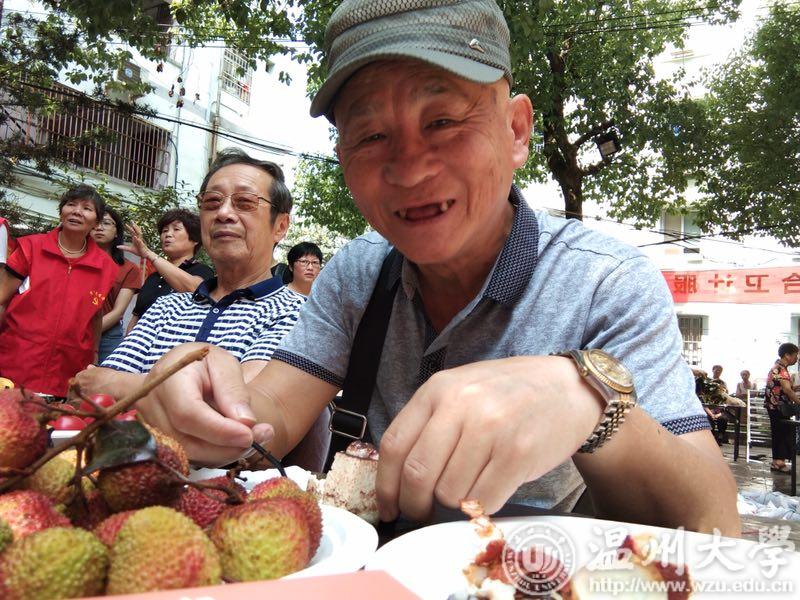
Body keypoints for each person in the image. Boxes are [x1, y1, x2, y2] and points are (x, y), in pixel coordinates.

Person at [136, 0, 738, 535]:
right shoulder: (357, 273)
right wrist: (207, 400)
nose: (410, 168)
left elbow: (713, 524)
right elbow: (271, 409)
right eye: (371, 135)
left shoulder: (606, 282)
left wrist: (589, 400)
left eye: (443, 121)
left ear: (516, 130)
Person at [73, 148, 305, 401]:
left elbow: (239, 403)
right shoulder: (165, 307)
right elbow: (84, 388)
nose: (223, 213)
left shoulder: (296, 313)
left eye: (245, 202)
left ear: (280, 226)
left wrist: (118, 384)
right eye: (212, 202)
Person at [0, 185, 117, 397]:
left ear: (96, 222)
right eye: (71, 204)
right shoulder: (30, 248)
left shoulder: (105, 267)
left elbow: (95, 315)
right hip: (16, 362)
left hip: (68, 370)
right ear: (61, 212)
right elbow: (1, 298)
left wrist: (94, 354)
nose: (77, 212)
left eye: (87, 208)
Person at [124, 208, 214, 333]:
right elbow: (136, 317)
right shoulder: (153, 277)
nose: (168, 234)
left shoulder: (202, 271)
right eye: (164, 231)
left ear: (195, 239)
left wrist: (148, 253)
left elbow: (196, 289)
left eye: (176, 229)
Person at [91, 207, 142, 363]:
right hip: (69, 329)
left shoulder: (129, 268)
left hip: (107, 335)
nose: (99, 227)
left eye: (106, 223)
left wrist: (86, 331)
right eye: (95, 223)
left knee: (104, 377)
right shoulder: (75, 260)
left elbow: (118, 311)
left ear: (116, 233)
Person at [764, 343, 800, 473]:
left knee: (779, 432)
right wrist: (798, 402)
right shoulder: (781, 369)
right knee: (782, 433)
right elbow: (787, 390)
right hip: (778, 407)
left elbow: (782, 387)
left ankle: (777, 462)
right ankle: (779, 463)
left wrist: (795, 388)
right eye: (795, 355)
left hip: (774, 406)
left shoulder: (778, 368)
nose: (797, 358)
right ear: (787, 355)